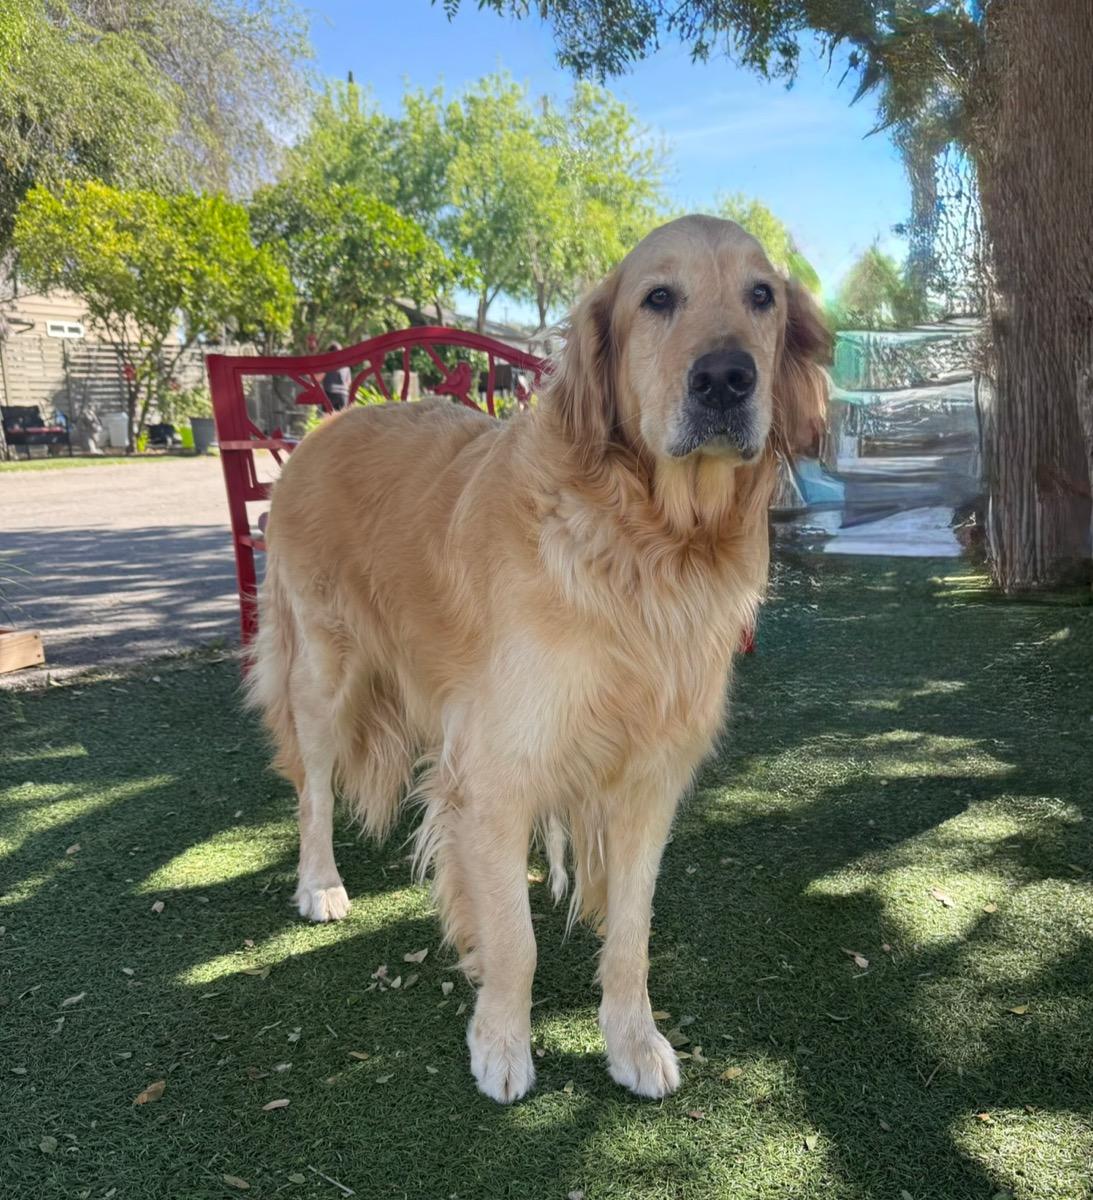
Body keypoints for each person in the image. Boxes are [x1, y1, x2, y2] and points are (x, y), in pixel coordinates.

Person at [322, 342, 351, 411]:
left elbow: (319, 378)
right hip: (343, 396)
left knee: (329, 416)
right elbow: (349, 382)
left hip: (330, 395)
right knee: (343, 416)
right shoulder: (346, 366)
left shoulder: (327, 365)